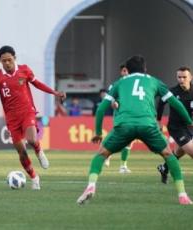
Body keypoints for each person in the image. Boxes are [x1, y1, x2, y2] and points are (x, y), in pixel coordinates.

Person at [77, 55, 193, 205]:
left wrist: (98, 132)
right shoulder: (154, 81)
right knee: (169, 156)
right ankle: (182, 195)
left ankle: (91, 186)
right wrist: (189, 122)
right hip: (148, 125)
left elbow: (100, 110)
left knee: (101, 154)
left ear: (127, 70)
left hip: (124, 125)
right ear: (145, 69)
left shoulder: (118, 83)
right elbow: (176, 104)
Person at [0, 45, 66, 190]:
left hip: (27, 111)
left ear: (14, 58)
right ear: (0, 61)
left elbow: (37, 84)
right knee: (22, 152)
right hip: (11, 118)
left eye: (9, 60)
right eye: (4, 61)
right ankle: (34, 177)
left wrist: (54, 92)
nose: (7, 63)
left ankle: (39, 151)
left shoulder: (24, 70)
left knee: (31, 139)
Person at [157, 66, 193, 184]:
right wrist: (158, 121)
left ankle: (164, 168)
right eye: (179, 77)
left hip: (190, 127)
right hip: (177, 128)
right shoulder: (172, 92)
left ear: (190, 77)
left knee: (178, 152)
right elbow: (161, 104)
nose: (181, 79)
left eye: (184, 77)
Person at [103, 64, 132, 173]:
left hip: (132, 115)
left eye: (128, 71)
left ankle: (121, 165)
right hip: (120, 116)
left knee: (128, 141)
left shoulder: (134, 85)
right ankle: (118, 162)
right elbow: (111, 101)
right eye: (124, 71)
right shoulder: (115, 85)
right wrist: (114, 104)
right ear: (121, 72)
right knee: (123, 139)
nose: (126, 73)